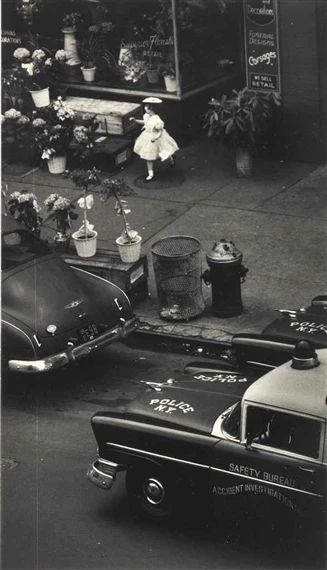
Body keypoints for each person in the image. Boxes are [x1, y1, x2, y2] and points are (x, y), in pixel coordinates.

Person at [130, 97, 179, 182]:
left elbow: (160, 132)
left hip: (156, 138)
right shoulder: (146, 116)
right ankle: (150, 174)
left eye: (146, 106)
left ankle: (171, 159)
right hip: (147, 137)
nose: (144, 107)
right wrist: (135, 120)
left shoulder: (157, 120)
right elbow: (145, 122)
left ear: (150, 109)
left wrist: (155, 138)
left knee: (164, 152)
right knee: (148, 157)